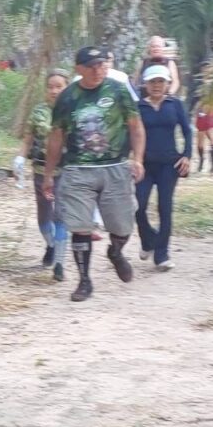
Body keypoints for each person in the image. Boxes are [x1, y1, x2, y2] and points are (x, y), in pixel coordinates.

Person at [43, 46, 145, 302]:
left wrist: (138, 159)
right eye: (92, 66)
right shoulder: (68, 97)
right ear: (79, 69)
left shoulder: (118, 90)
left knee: (122, 226)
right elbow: (56, 136)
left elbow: (135, 126)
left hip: (115, 167)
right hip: (78, 169)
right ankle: (84, 280)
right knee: (80, 226)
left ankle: (116, 252)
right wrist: (49, 173)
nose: (98, 70)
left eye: (101, 65)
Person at [135, 65, 192, 270]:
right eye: (152, 82)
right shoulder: (138, 107)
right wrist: (131, 159)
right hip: (145, 164)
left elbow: (187, 131)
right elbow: (131, 133)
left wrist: (186, 155)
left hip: (169, 164)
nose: (157, 85)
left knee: (164, 207)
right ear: (145, 84)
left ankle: (162, 255)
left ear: (168, 84)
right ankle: (148, 239)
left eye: (161, 81)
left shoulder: (174, 104)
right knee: (137, 206)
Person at [16, 69, 70, 281]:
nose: (54, 91)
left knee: (61, 216)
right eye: (50, 87)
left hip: (66, 171)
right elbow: (28, 139)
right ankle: (50, 245)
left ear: (67, 88)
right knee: (44, 218)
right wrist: (20, 158)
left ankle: (59, 264)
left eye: (59, 87)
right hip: (41, 170)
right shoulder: (38, 112)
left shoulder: (73, 110)